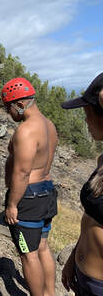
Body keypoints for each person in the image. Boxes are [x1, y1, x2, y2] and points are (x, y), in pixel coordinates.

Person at [2, 78, 58, 296]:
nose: (9, 113)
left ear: (19, 104)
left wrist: (12, 204)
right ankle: (49, 293)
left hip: (29, 198)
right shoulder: (49, 125)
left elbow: (23, 172)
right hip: (47, 192)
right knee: (42, 246)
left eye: (9, 108)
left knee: (28, 254)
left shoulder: (26, 130)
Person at [60, 72, 103, 296]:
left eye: (88, 113)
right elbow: (90, 219)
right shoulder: (102, 161)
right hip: (83, 275)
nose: (85, 121)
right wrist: (72, 259)